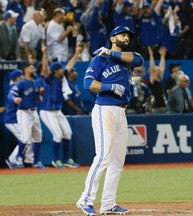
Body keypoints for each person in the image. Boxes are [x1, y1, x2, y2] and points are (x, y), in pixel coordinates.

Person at [76, 25, 144, 215]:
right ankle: (85, 199)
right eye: (123, 35)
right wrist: (110, 86)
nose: (127, 38)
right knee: (104, 155)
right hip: (104, 109)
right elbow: (88, 84)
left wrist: (111, 53)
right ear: (113, 38)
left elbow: (139, 60)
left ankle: (108, 203)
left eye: (128, 36)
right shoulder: (100, 59)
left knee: (117, 160)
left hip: (121, 112)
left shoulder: (127, 59)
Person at [39, 46, 81, 169]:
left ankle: (67, 159)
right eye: (60, 69)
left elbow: (70, 65)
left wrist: (76, 53)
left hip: (57, 111)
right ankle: (56, 160)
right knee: (57, 134)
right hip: (47, 111)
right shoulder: (49, 79)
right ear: (55, 71)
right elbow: (46, 69)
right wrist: (44, 54)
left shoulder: (63, 78)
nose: (63, 70)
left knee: (68, 133)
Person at [8, 54, 48, 169]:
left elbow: (35, 93)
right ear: (25, 70)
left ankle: (36, 161)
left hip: (34, 112)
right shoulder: (21, 83)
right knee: (25, 138)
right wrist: (15, 99)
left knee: (38, 137)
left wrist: (40, 91)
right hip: (24, 112)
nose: (33, 69)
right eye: (31, 67)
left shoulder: (35, 82)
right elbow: (11, 94)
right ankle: (18, 158)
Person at [4, 69, 34, 168]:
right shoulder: (15, 87)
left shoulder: (18, 85)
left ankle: (19, 159)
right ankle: (13, 159)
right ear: (17, 78)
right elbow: (11, 95)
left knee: (27, 139)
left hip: (14, 119)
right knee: (25, 139)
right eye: (21, 76)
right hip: (12, 119)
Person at [146, 46, 167, 113]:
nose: (158, 72)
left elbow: (162, 69)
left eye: (159, 71)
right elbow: (152, 67)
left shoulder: (158, 81)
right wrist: (151, 55)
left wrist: (162, 56)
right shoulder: (152, 81)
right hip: (155, 108)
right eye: (156, 71)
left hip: (163, 107)